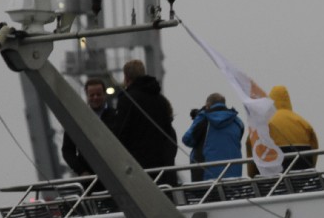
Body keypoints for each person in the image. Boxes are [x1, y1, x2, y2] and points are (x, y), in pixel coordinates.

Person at [109, 58, 180, 186]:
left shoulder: (127, 100)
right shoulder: (161, 100)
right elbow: (167, 133)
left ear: (126, 78)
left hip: (137, 167)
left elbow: (121, 132)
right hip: (161, 167)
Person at [183, 93, 245, 181]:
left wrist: (199, 115)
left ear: (208, 105)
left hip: (207, 178)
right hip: (234, 178)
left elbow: (187, 140)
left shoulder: (204, 118)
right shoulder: (237, 122)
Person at [60, 77, 115, 176]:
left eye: (98, 94)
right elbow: (67, 150)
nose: (95, 98)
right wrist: (81, 171)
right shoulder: (76, 120)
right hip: (90, 178)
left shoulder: (116, 115)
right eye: (92, 95)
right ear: (87, 96)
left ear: (104, 94)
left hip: (116, 172)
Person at [265, 85, 319, 171]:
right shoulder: (303, 123)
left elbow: (251, 144)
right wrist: (311, 168)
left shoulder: (265, 123)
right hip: (302, 172)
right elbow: (314, 147)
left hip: (274, 174)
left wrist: (252, 174)